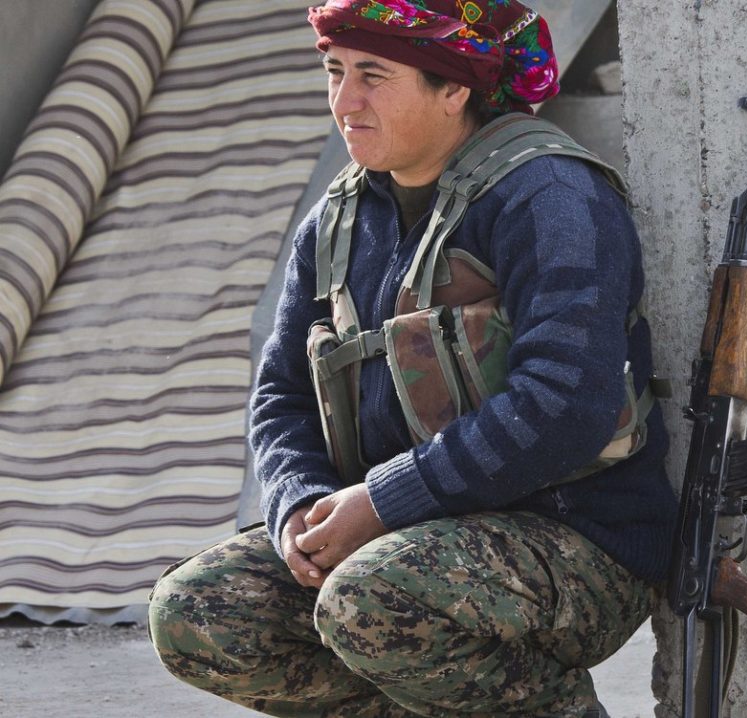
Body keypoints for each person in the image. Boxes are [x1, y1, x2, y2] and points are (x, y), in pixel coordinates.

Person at [148, 1, 678, 716]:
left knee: (374, 597)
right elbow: (281, 397)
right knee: (200, 612)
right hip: (393, 542)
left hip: (577, 539)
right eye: (334, 71)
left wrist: (381, 502)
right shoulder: (335, 221)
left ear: (454, 87)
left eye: (373, 75)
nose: (345, 101)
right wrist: (299, 506)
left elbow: (566, 406)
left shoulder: (549, 196)